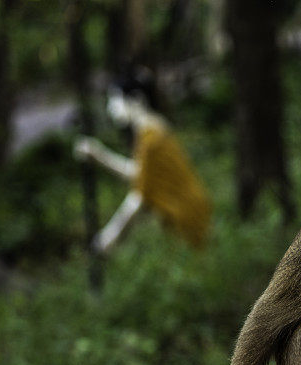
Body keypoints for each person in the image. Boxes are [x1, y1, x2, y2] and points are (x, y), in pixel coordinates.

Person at [74, 74, 211, 254]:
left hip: (185, 214)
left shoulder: (151, 138)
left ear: (137, 100)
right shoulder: (152, 129)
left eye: (115, 101)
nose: (110, 108)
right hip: (189, 210)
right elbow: (140, 174)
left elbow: (139, 195)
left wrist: (108, 238)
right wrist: (98, 155)